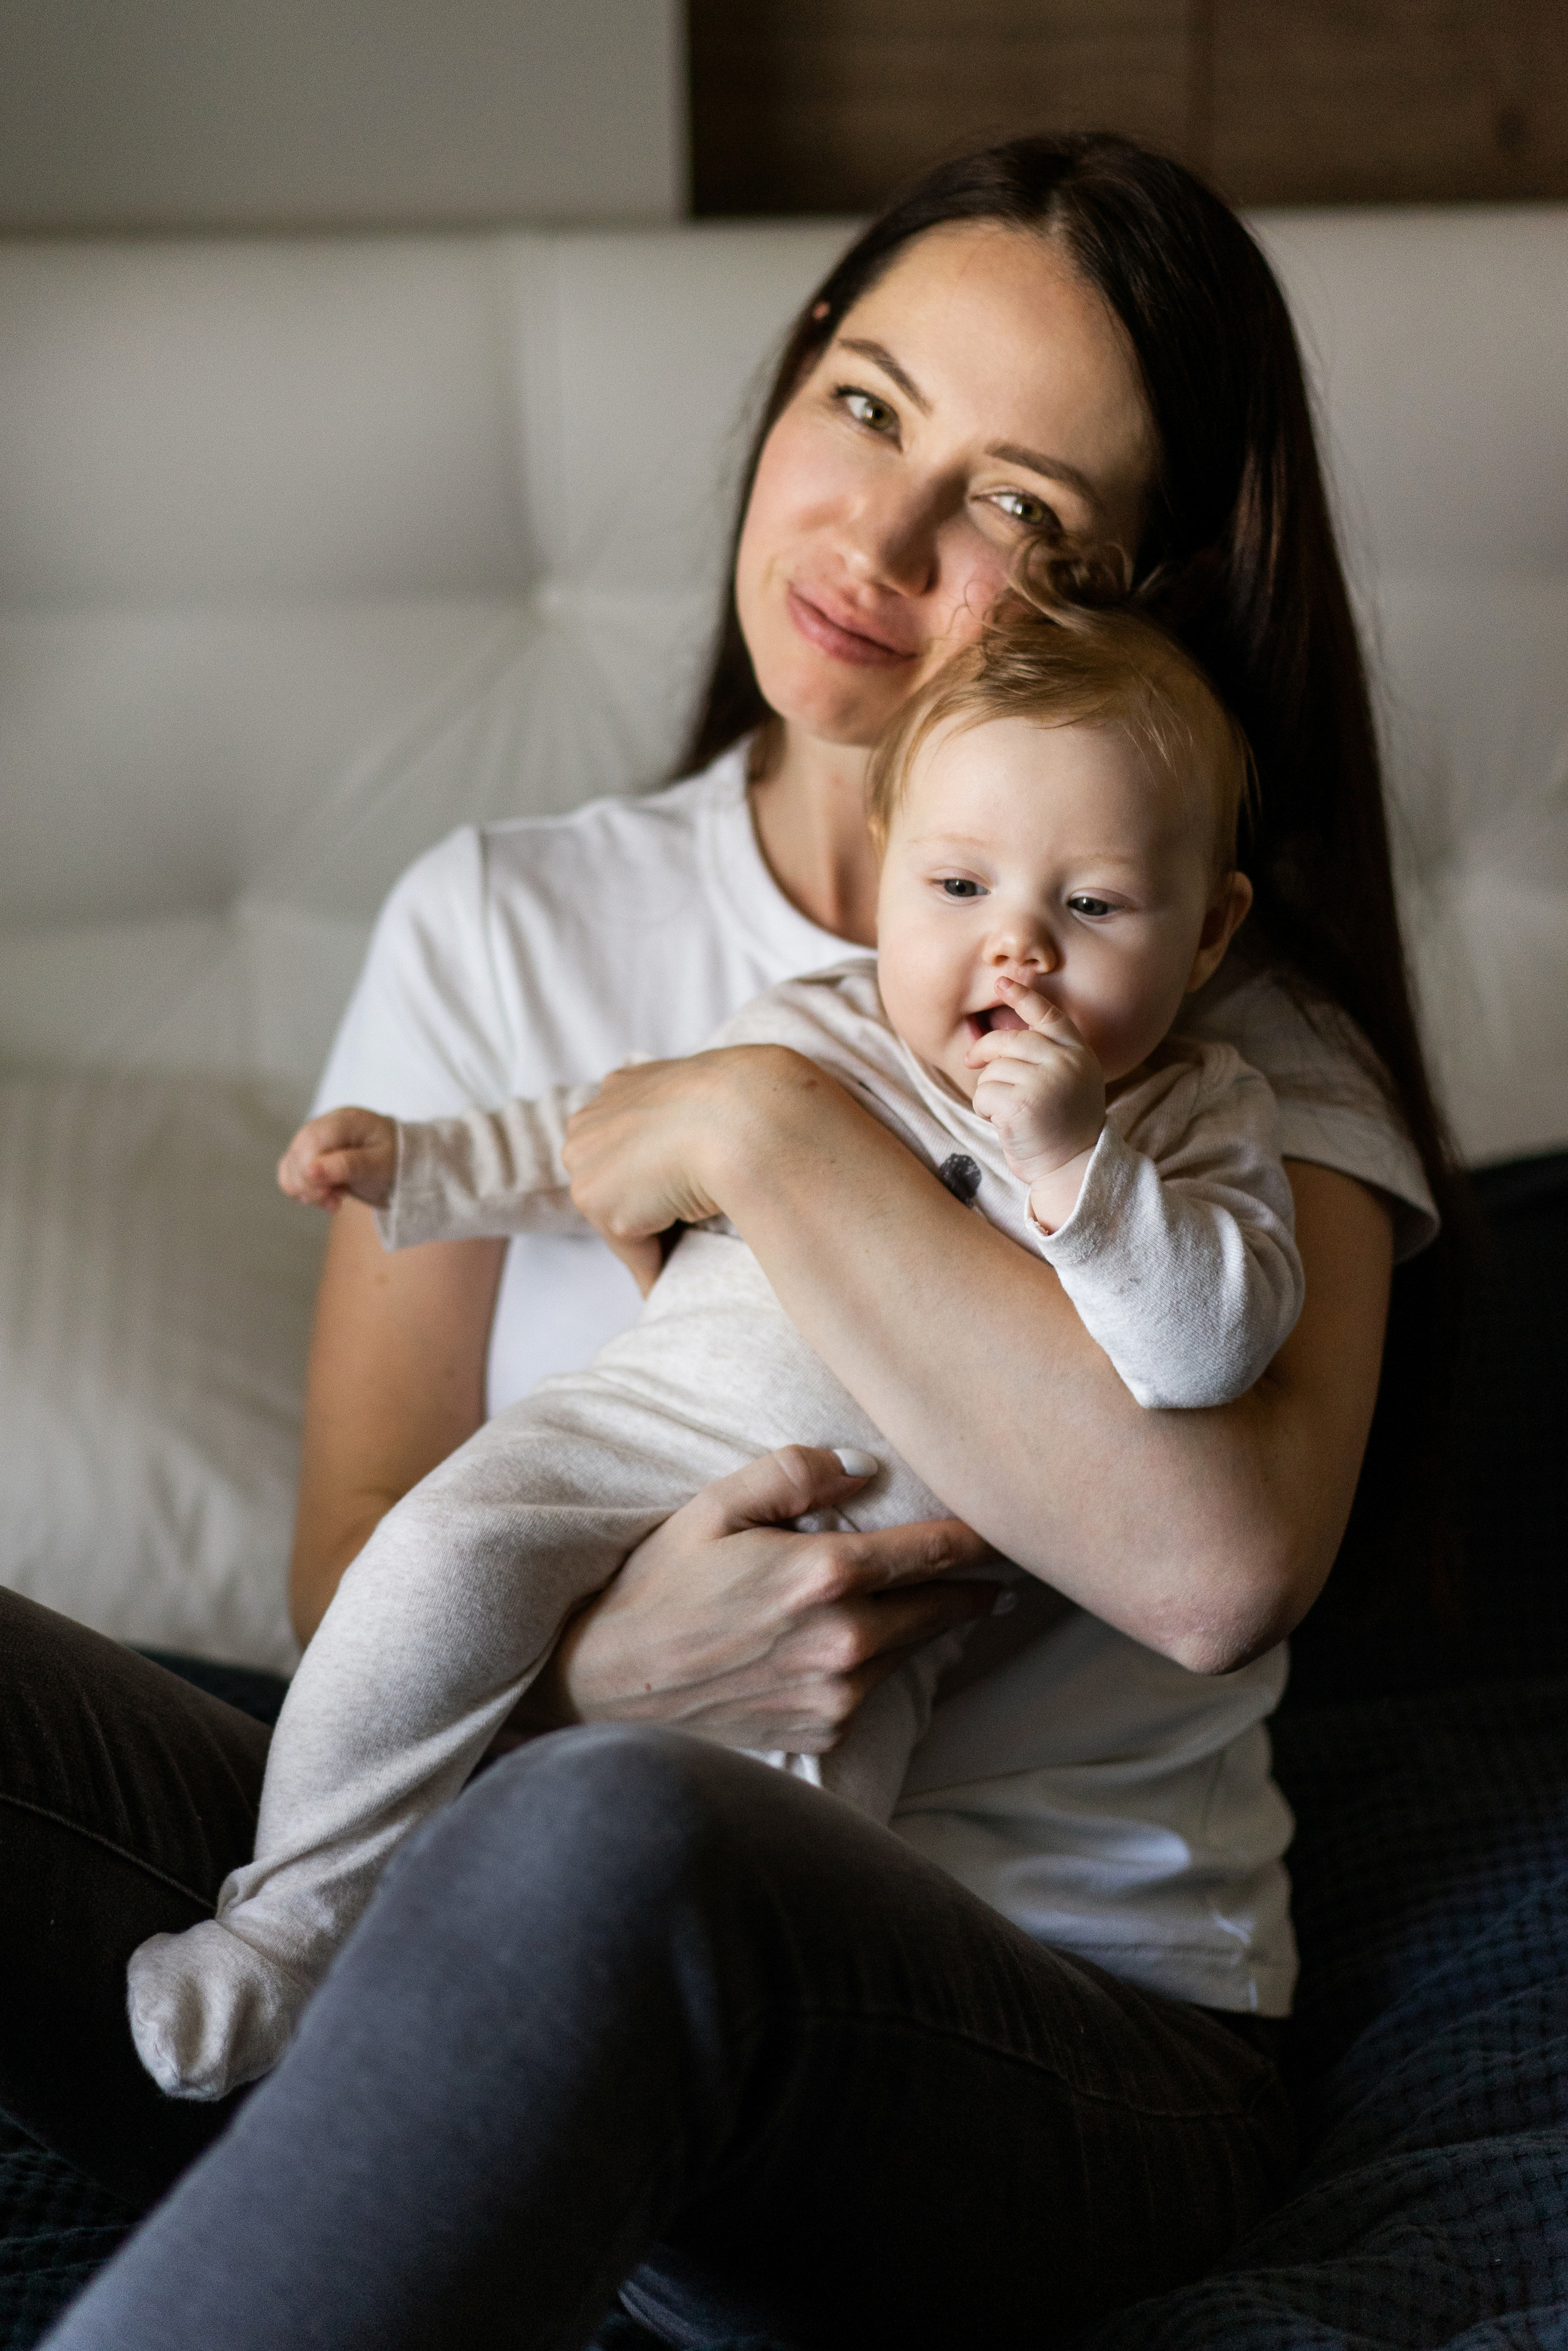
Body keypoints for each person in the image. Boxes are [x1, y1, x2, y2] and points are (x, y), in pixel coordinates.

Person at [15, 131, 1452, 2349]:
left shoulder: (1216, 1035)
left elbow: (1219, 1565)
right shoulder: (506, 918)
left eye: (1014, 504)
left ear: (1135, 593)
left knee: (611, 1844)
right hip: (480, 1823)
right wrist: (603, 1682)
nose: (877, 534)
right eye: (867, 404)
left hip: (1053, 2012)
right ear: (792, 374)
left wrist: (769, 1127)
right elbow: (358, 1558)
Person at [127, 606, 1306, 2105]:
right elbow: (602, 1133)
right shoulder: (811, 1030)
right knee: (431, 1560)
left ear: (1206, 928)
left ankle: (585, 2104)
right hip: (632, 1431)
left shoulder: (1201, 1120)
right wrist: (424, 1164)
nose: (1015, 944)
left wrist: (1078, 1166)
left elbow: (1208, 1347)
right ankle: (288, 1931)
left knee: (750, 1876)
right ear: (887, 872)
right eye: (956, 885)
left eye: (1092, 903)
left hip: (867, 1586)